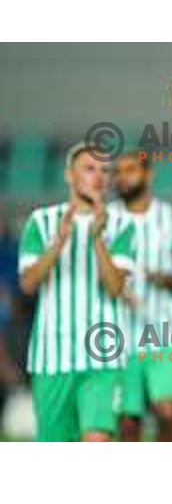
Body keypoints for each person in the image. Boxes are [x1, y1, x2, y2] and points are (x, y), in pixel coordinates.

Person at [18, 142, 135, 442]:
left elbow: (115, 286)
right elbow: (28, 284)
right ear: (69, 175)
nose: (98, 176)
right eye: (89, 168)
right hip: (51, 356)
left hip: (102, 357)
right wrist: (58, 242)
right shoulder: (40, 221)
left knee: (98, 440)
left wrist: (97, 238)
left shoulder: (121, 224)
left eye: (104, 171)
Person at [112, 152, 172, 442]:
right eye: (118, 172)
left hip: (160, 329)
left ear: (148, 174)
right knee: (128, 420)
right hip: (118, 333)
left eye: (130, 170)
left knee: (167, 411)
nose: (122, 177)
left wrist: (164, 278)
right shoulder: (106, 218)